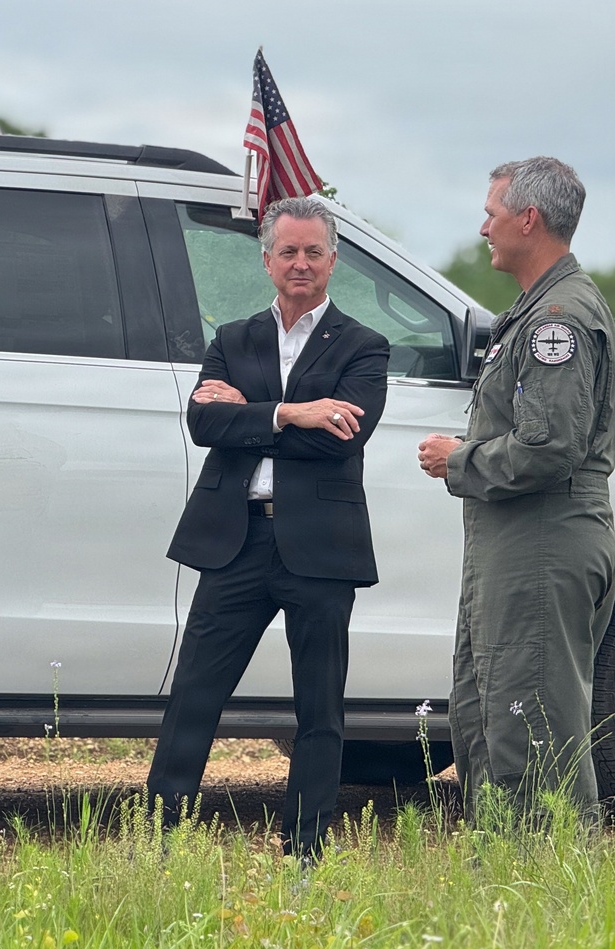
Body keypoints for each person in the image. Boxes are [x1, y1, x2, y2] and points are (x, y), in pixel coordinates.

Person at [146, 196, 390, 857]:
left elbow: (342, 438)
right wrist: (292, 413)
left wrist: (253, 416)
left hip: (319, 548)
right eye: (289, 252)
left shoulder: (365, 346)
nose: (301, 263)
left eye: (314, 252)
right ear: (267, 260)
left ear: (333, 260)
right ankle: (161, 841)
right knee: (194, 696)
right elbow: (203, 426)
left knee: (319, 711)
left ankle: (304, 849)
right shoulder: (233, 338)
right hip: (236, 539)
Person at [418, 157, 615, 823]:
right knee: (488, 711)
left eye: (493, 213)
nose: (484, 228)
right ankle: (504, 881)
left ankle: (547, 889)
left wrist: (459, 460)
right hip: (516, 540)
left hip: (542, 539)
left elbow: (550, 445)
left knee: (533, 723)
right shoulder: (535, 311)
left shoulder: (557, 317)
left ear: (528, 218)